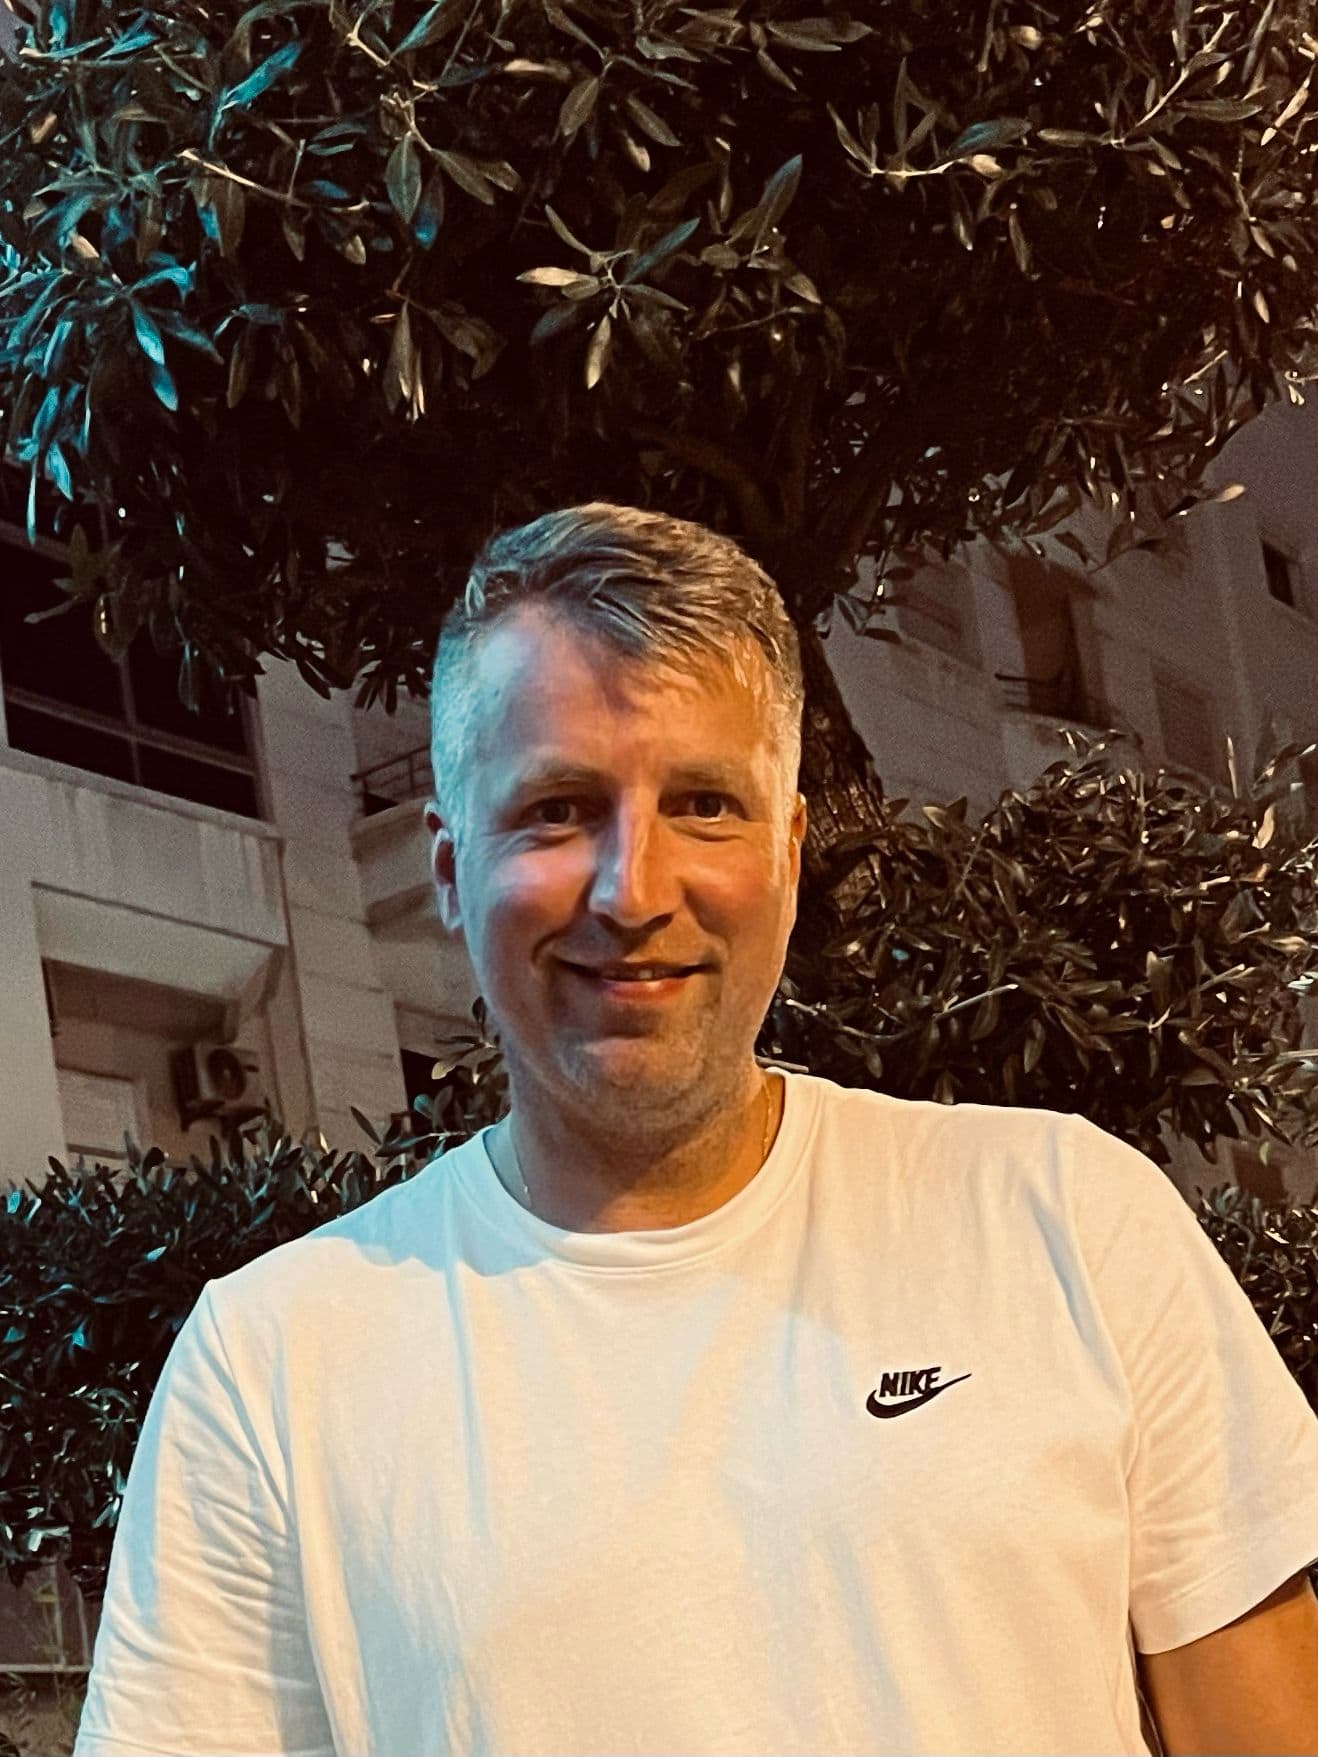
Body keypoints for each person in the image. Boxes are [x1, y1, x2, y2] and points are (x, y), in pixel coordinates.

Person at [74, 503, 1318, 1756]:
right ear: (448, 870)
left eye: (706, 803)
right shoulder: (272, 1364)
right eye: (557, 808)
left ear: (789, 850)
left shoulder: (1070, 1221)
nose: (633, 890)